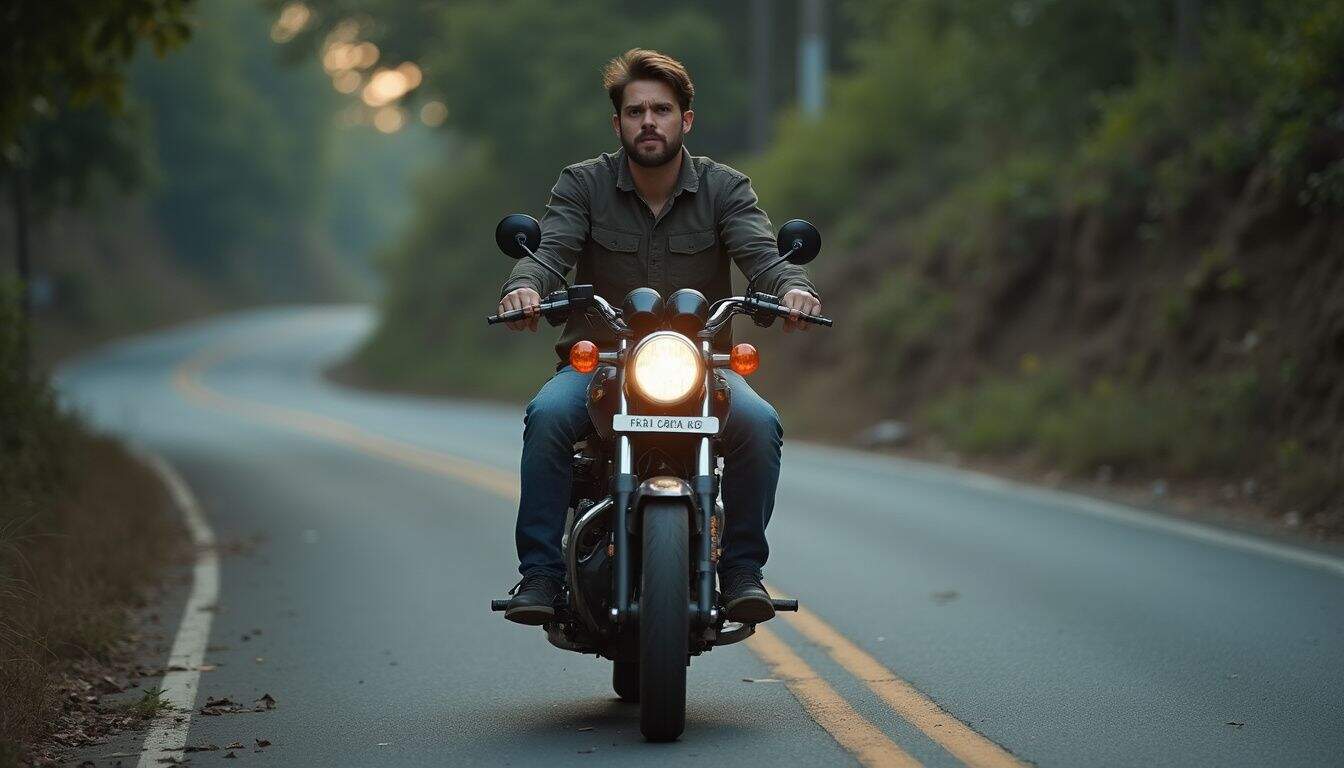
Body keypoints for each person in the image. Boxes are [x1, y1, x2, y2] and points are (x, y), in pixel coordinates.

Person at [498, 49, 822, 626]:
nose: (649, 121)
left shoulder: (726, 189)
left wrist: (794, 290)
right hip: (600, 362)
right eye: (635, 111)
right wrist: (523, 288)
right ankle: (541, 575)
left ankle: (743, 569)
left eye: (662, 110)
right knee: (546, 416)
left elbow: (764, 258)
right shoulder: (583, 184)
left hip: (702, 363)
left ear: (685, 120)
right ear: (617, 123)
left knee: (759, 424)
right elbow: (550, 255)